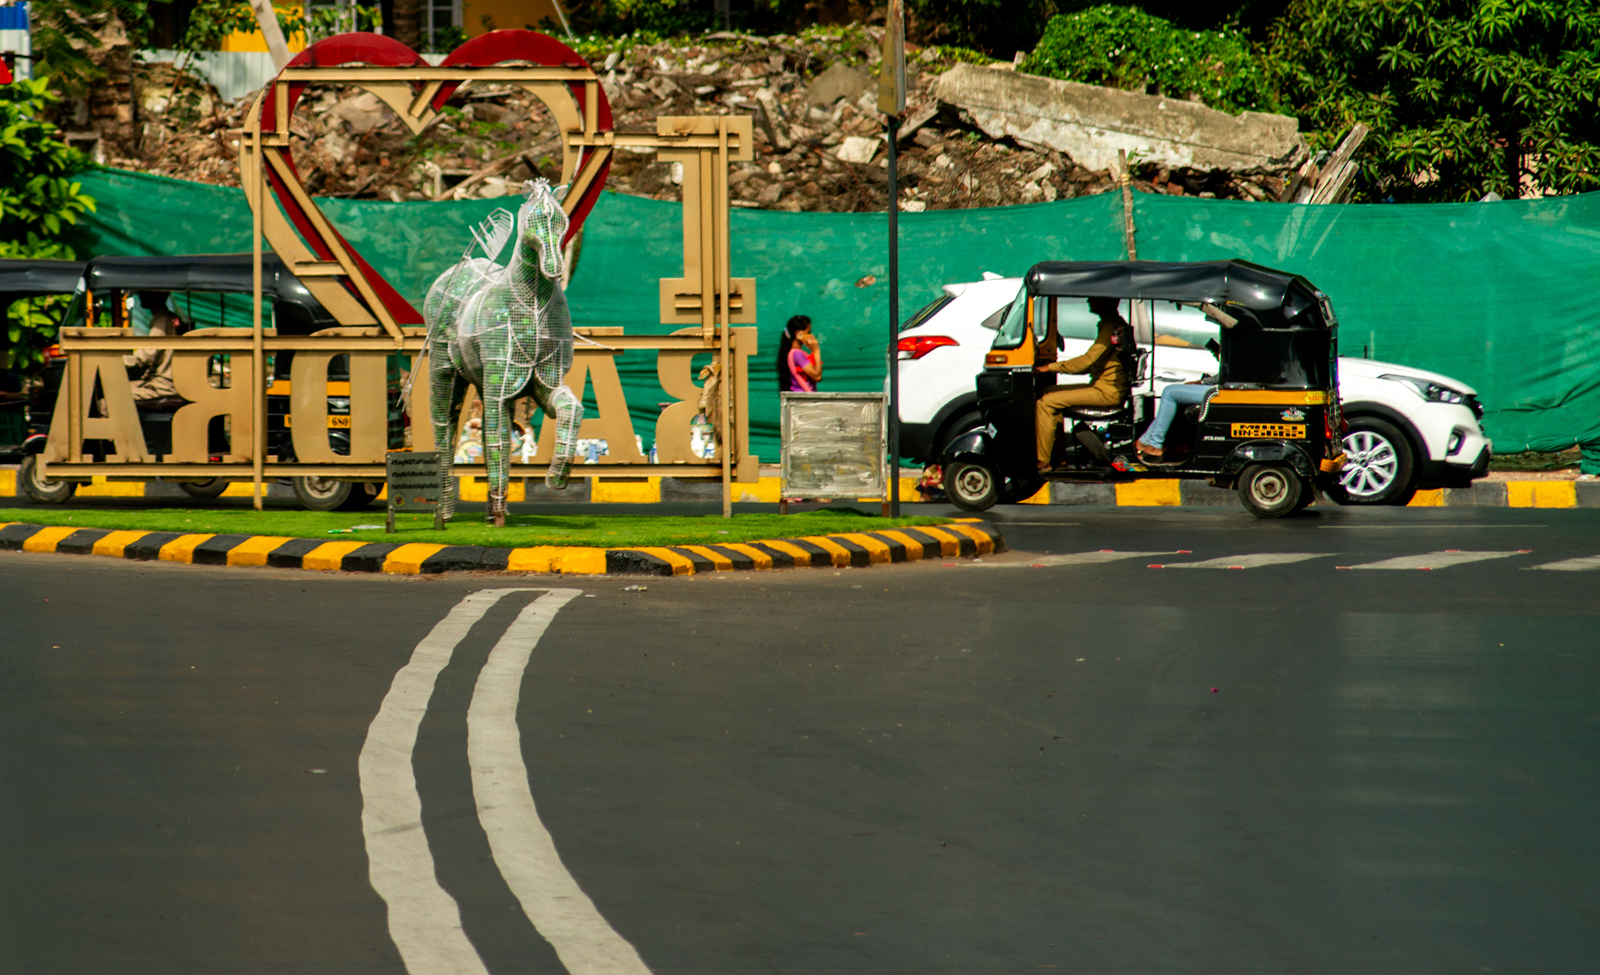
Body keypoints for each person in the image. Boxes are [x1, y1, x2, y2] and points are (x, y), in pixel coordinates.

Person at [1034, 296, 1131, 470]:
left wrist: (1049, 368)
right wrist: (1054, 368)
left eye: (1092, 298)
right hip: (1102, 386)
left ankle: (1042, 461)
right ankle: (1059, 457)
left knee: (1046, 403)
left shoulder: (1111, 326)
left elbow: (1087, 360)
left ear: (1105, 301)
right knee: (1048, 392)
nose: (1088, 301)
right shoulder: (1112, 323)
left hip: (1106, 392)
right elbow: (1092, 364)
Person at [124, 291, 177, 402]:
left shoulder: (163, 320)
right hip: (164, 382)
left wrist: (119, 360)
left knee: (107, 402)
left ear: (152, 297)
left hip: (162, 386)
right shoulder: (169, 317)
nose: (140, 296)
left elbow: (148, 354)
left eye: (143, 293)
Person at [777, 314, 822, 392]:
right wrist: (816, 351)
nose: (811, 336)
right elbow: (817, 376)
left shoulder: (799, 353)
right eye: (808, 332)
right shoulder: (796, 354)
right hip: (802, 397)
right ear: (799, 334)